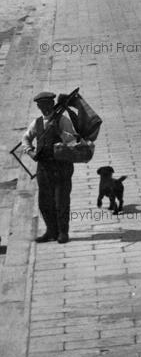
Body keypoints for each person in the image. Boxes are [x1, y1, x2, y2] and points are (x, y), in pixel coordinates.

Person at [22, 92, 77, 244]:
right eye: (40, 106)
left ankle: (63, 232)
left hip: (61, 167)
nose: (42, 109)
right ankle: (51, 231)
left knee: (61, 202)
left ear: (52, 105)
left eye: (45, 105)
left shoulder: (63, 120)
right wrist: (30, 151)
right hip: (43, 168)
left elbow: (73, 139)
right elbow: (26, 137)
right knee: (44, 203)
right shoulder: (37, 122)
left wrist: (58, 131)